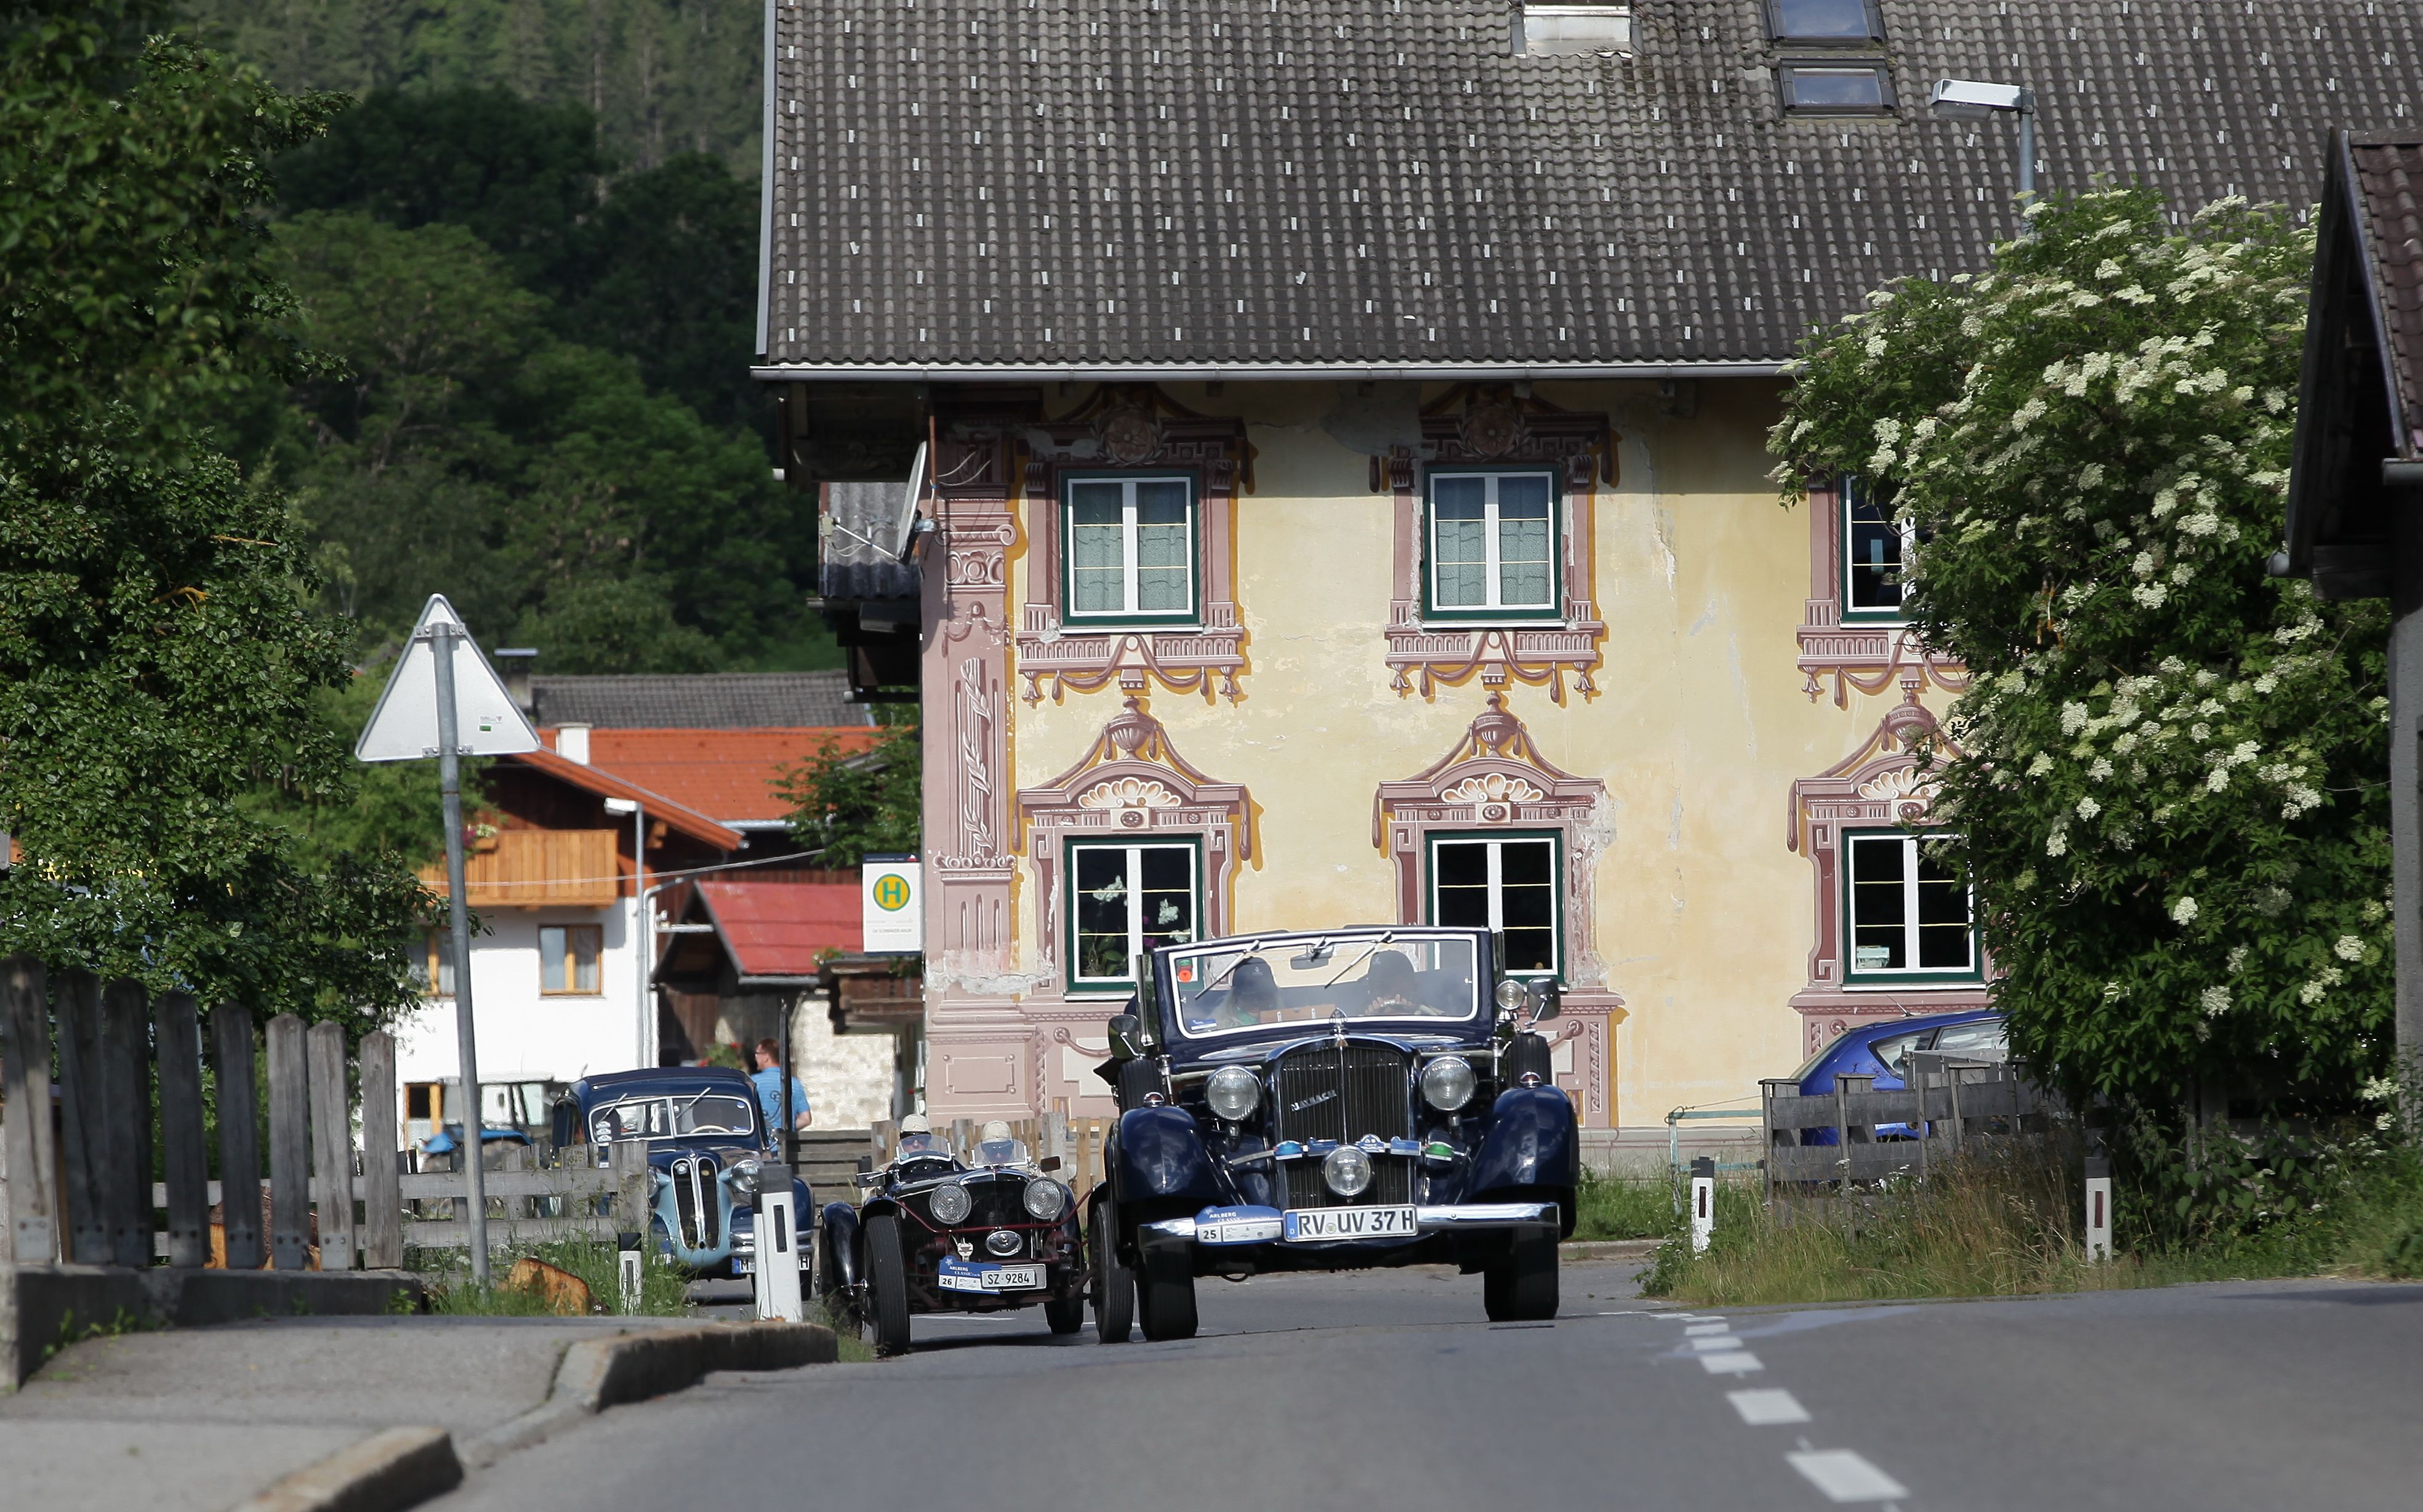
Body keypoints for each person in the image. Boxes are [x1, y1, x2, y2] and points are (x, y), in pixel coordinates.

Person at [750, 1038, 813, 1135]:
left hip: (761, 1145)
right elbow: (806, 1119)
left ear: (766, 1057)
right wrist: (785, 1129)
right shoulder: (794, 1083)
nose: (755, 1058)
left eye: (757, 1054)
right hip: (785, 1144)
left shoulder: (753, 1082)